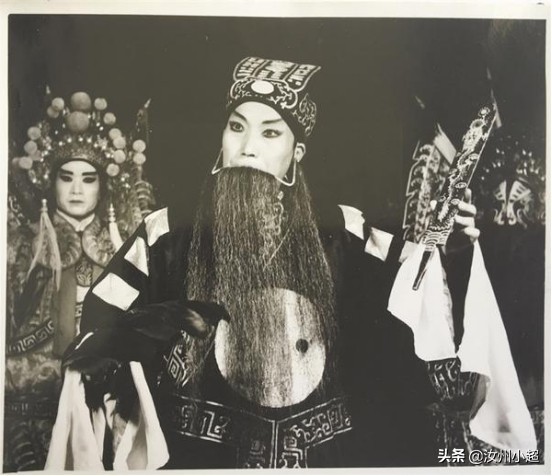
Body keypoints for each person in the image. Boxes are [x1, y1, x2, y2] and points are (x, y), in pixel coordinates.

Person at [46, 57, 536, 470]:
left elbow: (420, 289)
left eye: (270, 133)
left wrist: (456, 249)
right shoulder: (167, 234)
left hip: (320, 455)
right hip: (202, 455)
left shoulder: (343, 232)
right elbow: (99, 330)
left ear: (295, 152)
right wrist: (153, 339)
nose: (248, 146)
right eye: (236, 127)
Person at [4, 91, 155, 471]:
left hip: (109, 399)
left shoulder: (124, 244)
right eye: (66, 177)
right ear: (50, 181)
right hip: (31, 401)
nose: (76, 190)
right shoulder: (20, 245)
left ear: (102, 186)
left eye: (88, 179)